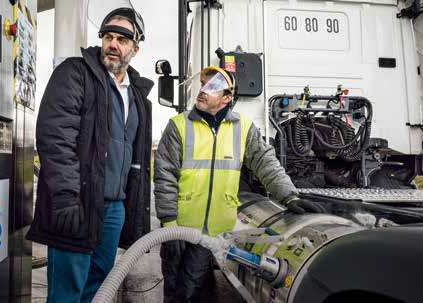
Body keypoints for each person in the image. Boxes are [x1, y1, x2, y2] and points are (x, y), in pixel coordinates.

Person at [154, 66, 325, 302]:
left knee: (193, 290)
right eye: (203, 84)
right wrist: (169, 225)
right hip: (181, 225)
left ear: (226, 98)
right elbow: (165, 176)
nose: (203, 91)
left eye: (213, 87)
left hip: (212, 232)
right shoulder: (179, 126)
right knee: (176, 290)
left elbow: (266, 162)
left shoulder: (242, 128)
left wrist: (289, 196)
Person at [26, 7, 153, 303]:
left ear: (135, 47)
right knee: (67, 292)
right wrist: (66, 197)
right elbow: (55, 138)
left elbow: (136, 159)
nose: (113, 44)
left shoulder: (135, 94)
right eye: (108, 36)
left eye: (122, 39)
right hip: (78, 202)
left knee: (99, 287)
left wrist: (132, 209)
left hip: (114, 209)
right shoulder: (75, 72)